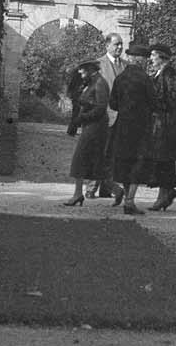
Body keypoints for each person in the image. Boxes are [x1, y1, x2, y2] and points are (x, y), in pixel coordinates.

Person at [107, 41, 154, 214]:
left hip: (123, 125)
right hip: (141, 126)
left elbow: (113, 104)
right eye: (145, 58)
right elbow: (154, 103)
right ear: (140, 60)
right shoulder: (146, 80)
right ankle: (129, 200)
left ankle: (127, 197)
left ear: (130, 58)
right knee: (138, 162)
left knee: (125, 161)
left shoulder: (120, 78)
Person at [142, 42, 176, 211]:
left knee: (164, 161)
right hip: (158, 123)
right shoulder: (160, 73)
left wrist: (153, 102)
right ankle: (168, 192)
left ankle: (164, 195)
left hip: (166, 125)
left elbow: (173, 99)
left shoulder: (170, 74)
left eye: (153, 55)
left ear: (161, 56)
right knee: (161, 161)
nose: (151, 59)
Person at [61, 60, 109, 206]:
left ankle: (77, 195)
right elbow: (90, 102)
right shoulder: (92, 82)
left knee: (80, 159)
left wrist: (82, 117)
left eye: (82, 71)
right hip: (91, 126)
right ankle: (117, 190)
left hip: (96, 127)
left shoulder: (100, 83)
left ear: (89, 69)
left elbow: (101, 108)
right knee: (95, 162)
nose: (80, 74)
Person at [91, 32, 125, 198]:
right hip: (103, 116)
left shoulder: (126, 66)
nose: (119, 47)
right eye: (116, 44)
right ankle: (91, 187)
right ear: (107, 46)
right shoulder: (98, 64)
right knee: (98, 152)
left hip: (121, 118)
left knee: (113, 154)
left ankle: (106, 188)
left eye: (121, 44)